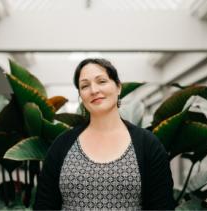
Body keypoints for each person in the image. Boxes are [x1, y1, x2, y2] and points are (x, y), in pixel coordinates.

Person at [33, 58, 175, 210]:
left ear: (118, 87)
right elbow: (44, 204)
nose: (94, 90)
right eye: (85, 85)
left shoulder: (147, 144)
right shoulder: (63, 145)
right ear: (81, 95)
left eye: (101, 81)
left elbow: (162, 206)